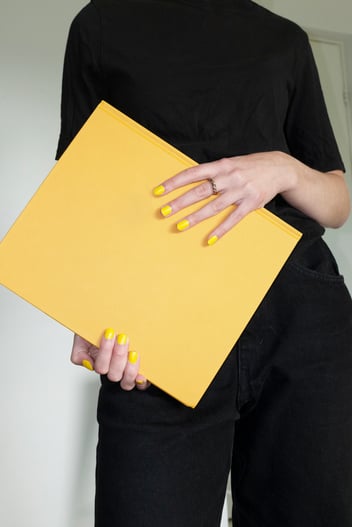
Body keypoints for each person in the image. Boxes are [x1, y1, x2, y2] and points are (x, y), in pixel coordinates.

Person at [56, 1, 352, 526]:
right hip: (158, 321)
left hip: (299, 311)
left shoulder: (284, 39)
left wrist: (282, 168)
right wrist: (84, 307)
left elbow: (337, 202)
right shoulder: (99, 25)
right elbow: (78, 185)